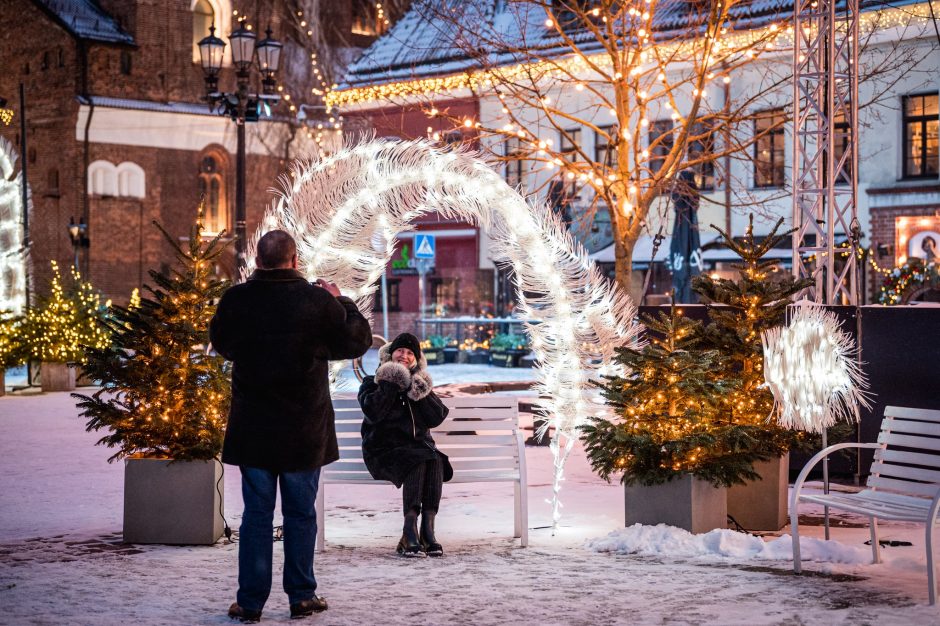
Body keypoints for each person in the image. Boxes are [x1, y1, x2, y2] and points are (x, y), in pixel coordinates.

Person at [209, 230, 372, 623]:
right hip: (303, 429)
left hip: (255, 429)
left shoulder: (237, 300)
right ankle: (301, 596)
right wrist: (341, 300)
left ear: (258, 262)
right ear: (295, 260)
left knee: (256, 515)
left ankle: (250, 602)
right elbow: (357, 341)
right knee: (301, 514)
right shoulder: (317, 302)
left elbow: (221, 343)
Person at [358, 333, 453, 557]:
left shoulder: (417, 385)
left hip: (416, 452)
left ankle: (427, 530)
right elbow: (373, 412)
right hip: (383, 451)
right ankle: (409, 530)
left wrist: (420, 390)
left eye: (410, 353)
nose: (405, 355)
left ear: (416, 360)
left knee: (434, 458)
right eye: (400, 350)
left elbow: (437, 416)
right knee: (419, 458)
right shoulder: (373, 383)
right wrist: (391, 382)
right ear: (390, 354)